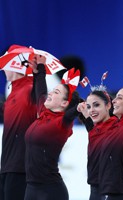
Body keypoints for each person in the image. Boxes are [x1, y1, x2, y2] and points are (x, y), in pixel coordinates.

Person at [77, 68, 123, 200]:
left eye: (119, 97)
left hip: (115, 194)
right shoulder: (112, 126)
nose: (114, 101)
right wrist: (85, 115)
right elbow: (95, 134)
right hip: (96, 193)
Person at [24, 55, 81, 200]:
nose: (50, 93)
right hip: (30, 188)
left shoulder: (62, 122)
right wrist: (39, 70)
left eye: (56, 92)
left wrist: (79, 108)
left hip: (50, 191)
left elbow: (70, 114)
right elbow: (41, 90)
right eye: (53, 90)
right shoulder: (43, 111)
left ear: (64, 104)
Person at [0, 67, 37, 199]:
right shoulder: (13, 93)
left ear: (14, 67)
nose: (3, 70)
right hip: (7, 166)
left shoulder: (30, 89)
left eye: (5, 67)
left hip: (20, 168)